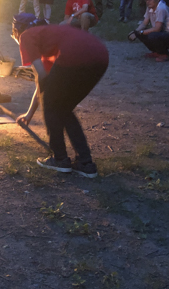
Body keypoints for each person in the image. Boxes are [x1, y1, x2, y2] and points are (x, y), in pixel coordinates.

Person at [12, 13, 109, 176]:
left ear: (18, 29)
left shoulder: (26, 36)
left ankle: (60, 159)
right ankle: (85, 163)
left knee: (52, 105)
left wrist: (46, 101)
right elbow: (46, 81)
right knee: (63, 108)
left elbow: (41, 77)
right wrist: (29, 114)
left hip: (75, 56)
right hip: (100, 55)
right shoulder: (48, 36)